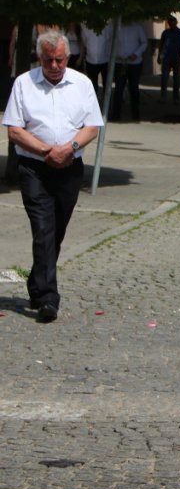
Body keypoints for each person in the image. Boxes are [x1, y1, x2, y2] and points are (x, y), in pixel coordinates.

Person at [3, 31, 104, 322]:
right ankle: (48, 298)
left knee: (57, 229)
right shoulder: (24, 83)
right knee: (43, 227)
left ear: (68, 57)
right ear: (40, 57)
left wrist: (69, 148)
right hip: (35, 167)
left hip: (70, 167)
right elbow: (14, 129)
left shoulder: (82, 83)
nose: (55, 66)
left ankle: (36, 283)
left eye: (60, 59)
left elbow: (92, 126)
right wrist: (48, 150)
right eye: (49, 60)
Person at [110, 20, 148, 122]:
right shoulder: (116, 27)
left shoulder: (137, 27)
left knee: (134, 88)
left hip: (134, 63)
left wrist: (137, 53)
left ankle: (136, 115)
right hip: (120, 62)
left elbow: (144, 42)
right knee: (119, 88)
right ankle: (116, 115)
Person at [157, 16, 180, 103]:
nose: (171, 24)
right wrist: (160, 56)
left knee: (176, 78)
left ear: (176, 23)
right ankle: (163, 97)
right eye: (170, 23)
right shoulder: (165, 33)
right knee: (164, 78)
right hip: (167, 57)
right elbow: (161, 45)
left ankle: (176, 97)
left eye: (173, 23)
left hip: (176, 58)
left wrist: (179, 54)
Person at [80, 21, 111, 99]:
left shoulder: (107, 27)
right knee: (92, 85)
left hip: (105, 60)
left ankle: (106, 102)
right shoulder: (86, 27)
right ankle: (94, 102)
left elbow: (110, 40)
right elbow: (84, 42)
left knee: (106, 84)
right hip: (91, 60)